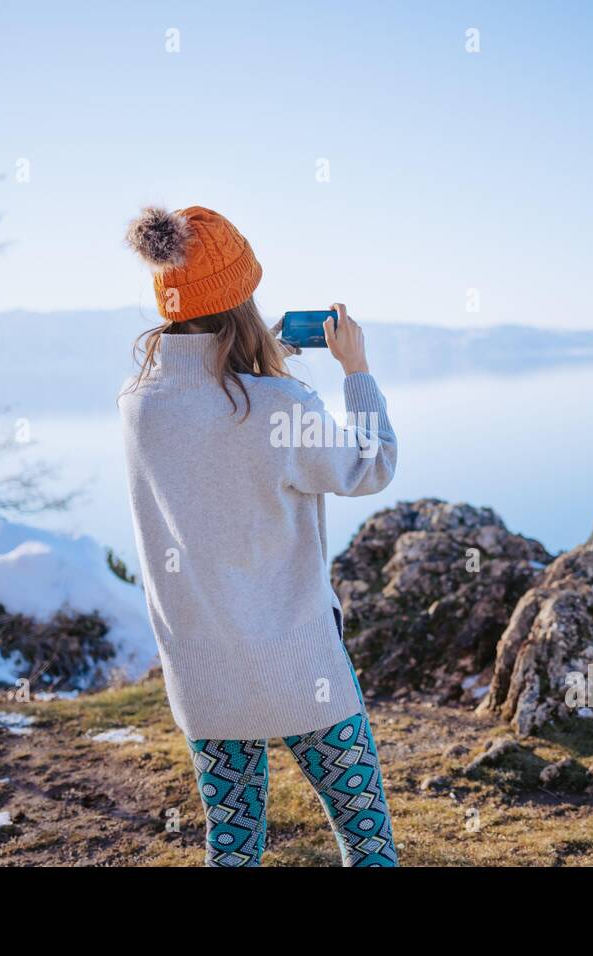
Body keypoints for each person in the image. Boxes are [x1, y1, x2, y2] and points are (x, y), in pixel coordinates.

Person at [118, 205, 399, 867]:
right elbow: (372, 463)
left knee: (235, 846)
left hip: (204, 674)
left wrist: (257, 360)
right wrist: (355, 371)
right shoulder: (280, 403)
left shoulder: (137, 405)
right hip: (302, 668)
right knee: (366, 841)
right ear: (243, 301)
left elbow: (209, 424)